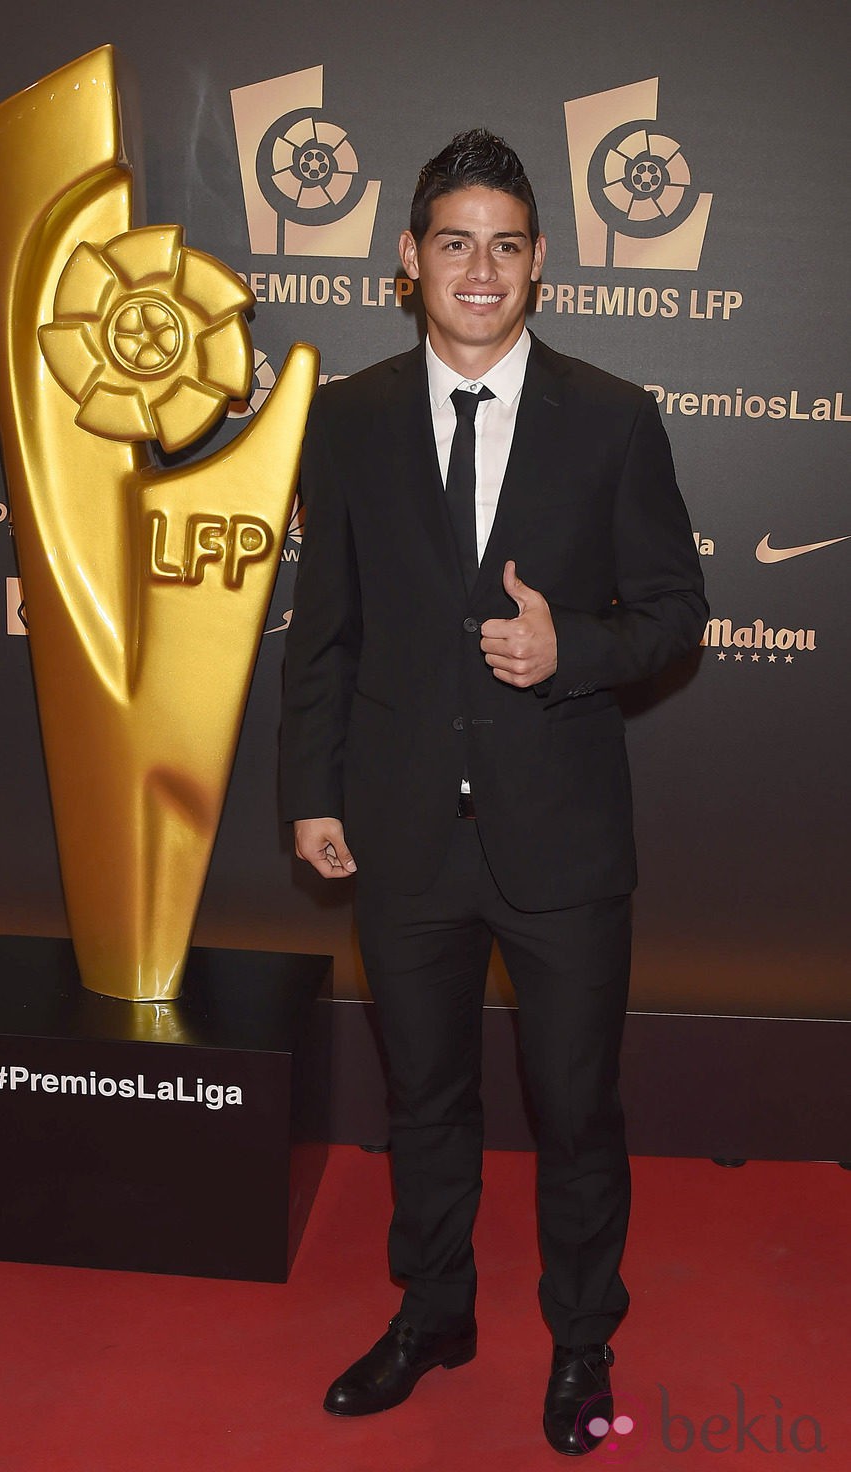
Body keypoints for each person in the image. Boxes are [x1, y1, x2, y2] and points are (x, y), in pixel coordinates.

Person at [279, 128, 707, 1457]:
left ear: (539, 269)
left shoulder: (614, 417)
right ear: (408, 261)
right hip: (404, 829)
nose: (480, 268)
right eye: (453, 242)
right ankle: (435, 1314)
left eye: (506, 246)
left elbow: (679, 614)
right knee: (426, 1100)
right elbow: (326, 630)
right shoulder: (345, 419)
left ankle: (582, 1343)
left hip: (562, 838)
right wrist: (312, 790)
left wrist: (569, 649)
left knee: (576, 1105)